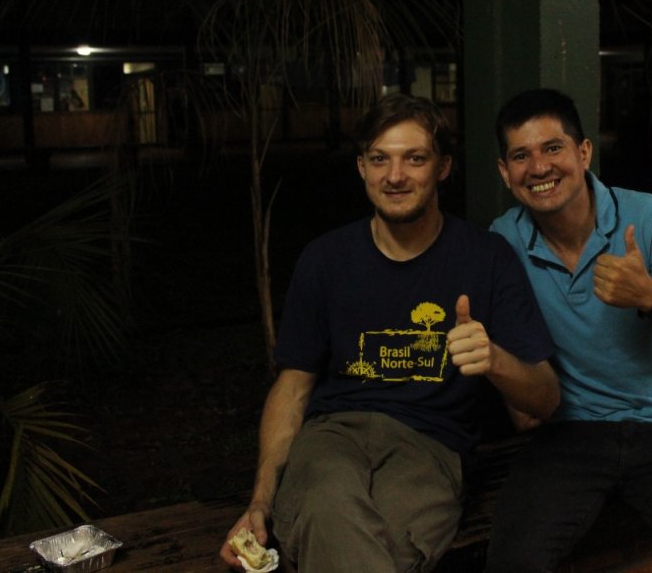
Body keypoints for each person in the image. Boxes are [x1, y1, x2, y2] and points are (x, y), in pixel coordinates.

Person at [220, 93, 559, 572]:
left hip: (430, 448)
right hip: (332, 436)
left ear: (443, 167)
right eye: (380, 159)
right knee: (327, 502)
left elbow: (546, 400)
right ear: (362, 167)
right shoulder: (325, 260)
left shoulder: (487, 258)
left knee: (351, 541)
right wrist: (259, 502)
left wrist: (494, 359)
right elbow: (293, 389)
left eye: (414, 159)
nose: (395, 176)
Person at [484, 88, 652, 572]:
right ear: (506, 172)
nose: (539, 167)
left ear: (583, 152)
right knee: (513, 561)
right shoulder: (504, 240)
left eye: (553, 148)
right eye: (521, 156)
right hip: (570, 434)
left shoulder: (647, 219)